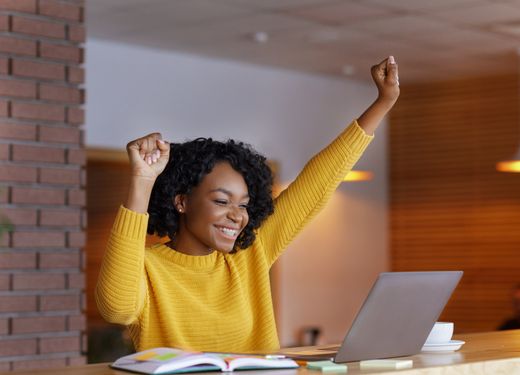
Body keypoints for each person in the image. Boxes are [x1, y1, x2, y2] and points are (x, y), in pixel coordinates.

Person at [95, 56, 400, 353]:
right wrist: (141, 179)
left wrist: (382, 103)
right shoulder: (148, 269)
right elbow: (116, 309)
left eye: (243, 205)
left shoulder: (249, 253)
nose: (236, 217)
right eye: (221, 201)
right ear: (182, 202)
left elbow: (317, 184)